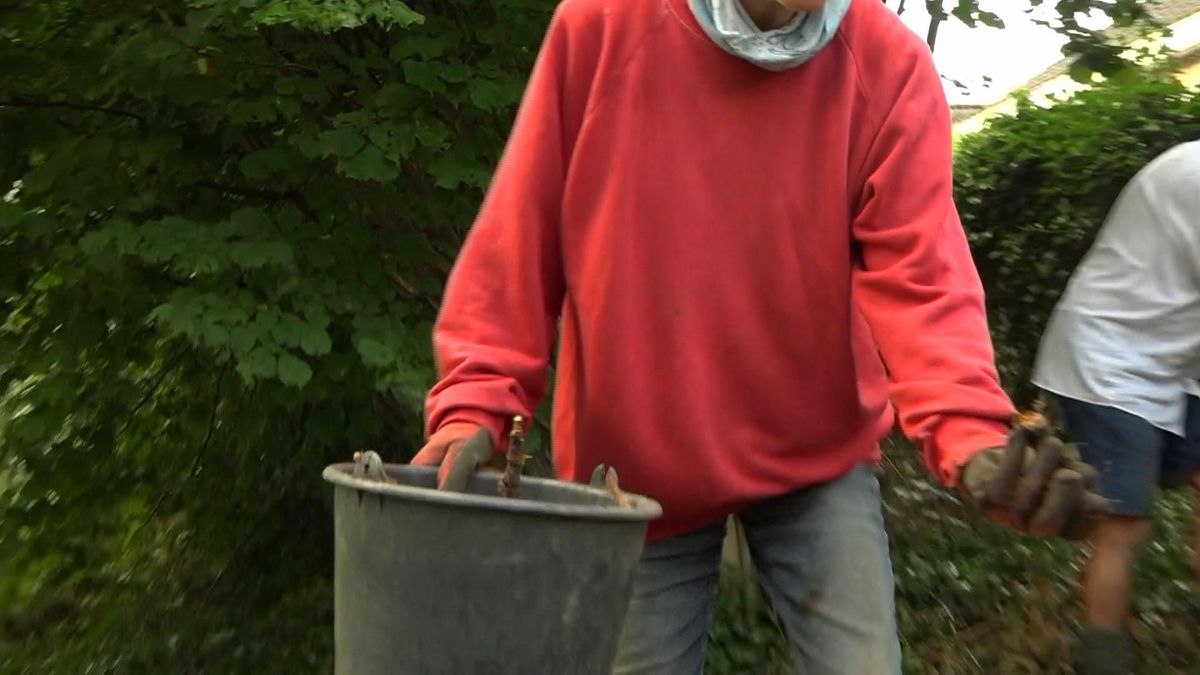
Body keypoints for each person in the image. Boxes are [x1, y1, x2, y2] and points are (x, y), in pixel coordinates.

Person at [413, 0, 1102, 672]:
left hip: (814, 455)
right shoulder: (600, 26)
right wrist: (476, 404)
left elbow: (922, 282)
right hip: (635, 464)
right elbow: (519, 241)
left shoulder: (886, 66)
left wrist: (974, 436)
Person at [1032, 140, 1200, 675]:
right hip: (1111, 358)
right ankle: (1104, 657)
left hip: (1174, 356)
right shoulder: (1193, 174)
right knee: (1124, 525)